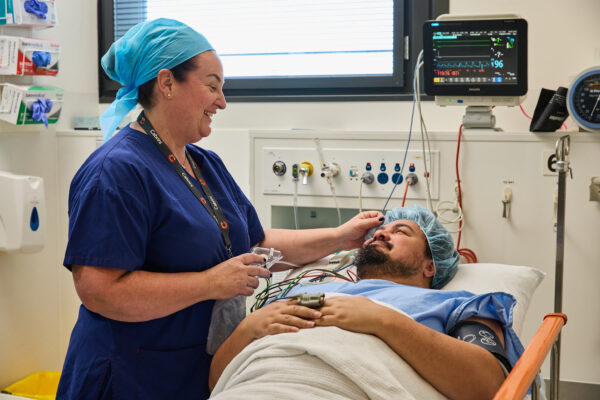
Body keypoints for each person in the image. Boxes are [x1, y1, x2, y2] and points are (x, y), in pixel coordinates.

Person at [57, 19, 384, 400]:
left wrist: (341, 236)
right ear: (166, 84)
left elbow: (255, 244)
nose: (222, 102)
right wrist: (211, 283)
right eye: (212, 86)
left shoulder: (204, 164)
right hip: (131, 375)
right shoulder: (115, 171)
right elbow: (99, 291)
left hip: (195, 369)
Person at [209, 205, 525, 400]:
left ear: (430, 266)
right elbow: (215, 382)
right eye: (377, 231)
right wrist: (247, 330)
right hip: (255, 385)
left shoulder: (456, 304)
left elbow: (489, 386)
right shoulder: (308, 291)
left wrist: (382, 320)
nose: (380, 234)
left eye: (400, 231)